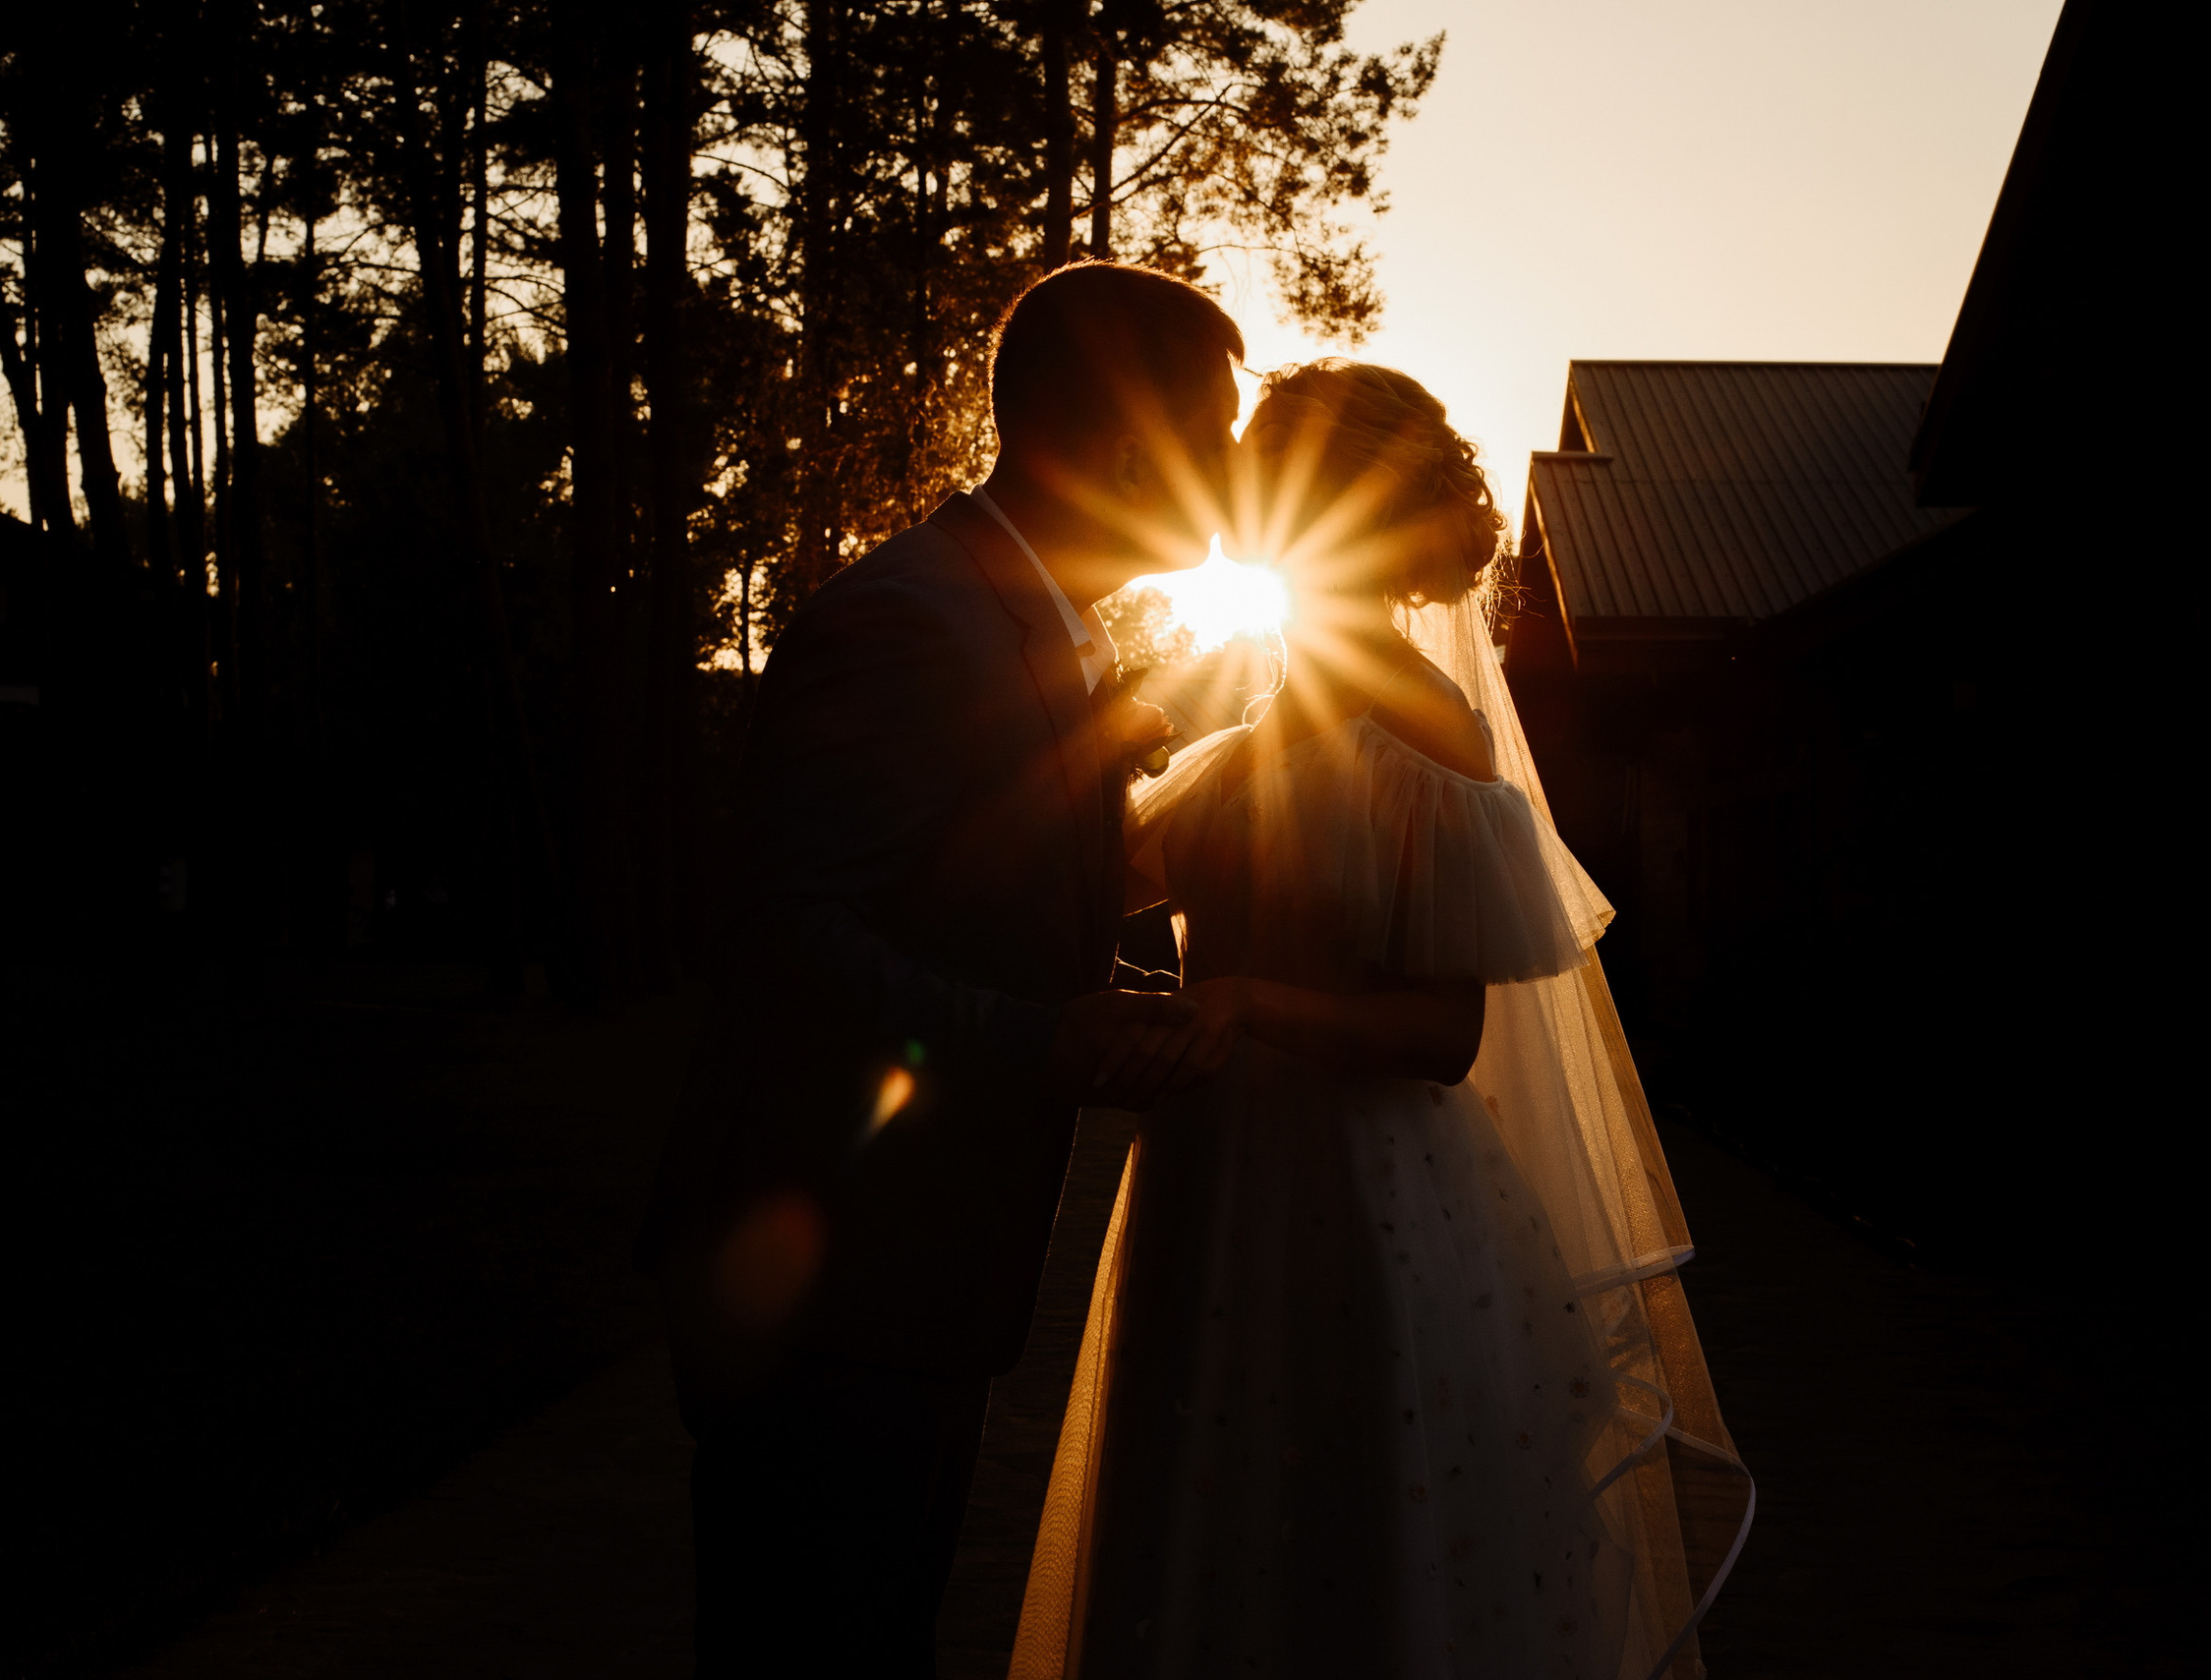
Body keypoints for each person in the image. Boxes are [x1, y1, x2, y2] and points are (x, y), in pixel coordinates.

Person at [1005, 362, 1753, 1680]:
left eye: (1271, 473)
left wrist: (1242, 1001)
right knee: (1214, 1541)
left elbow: (1443, 1035)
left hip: (1353, 1197)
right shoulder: (1255, 708)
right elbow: (1117, 881)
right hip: (1211, 1175)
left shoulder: (1424, 723)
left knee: (1348, 1550)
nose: (1238, 492)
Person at [643, 262, 1251, 1677]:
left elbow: (979, 883)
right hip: (825, 1274)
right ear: (1127, 454)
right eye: (1212, 437)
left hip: (913, 1275)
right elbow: (783, 936)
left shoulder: (1033, 618)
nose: (1235, 475)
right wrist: (1045, 1038)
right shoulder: (915, 619)